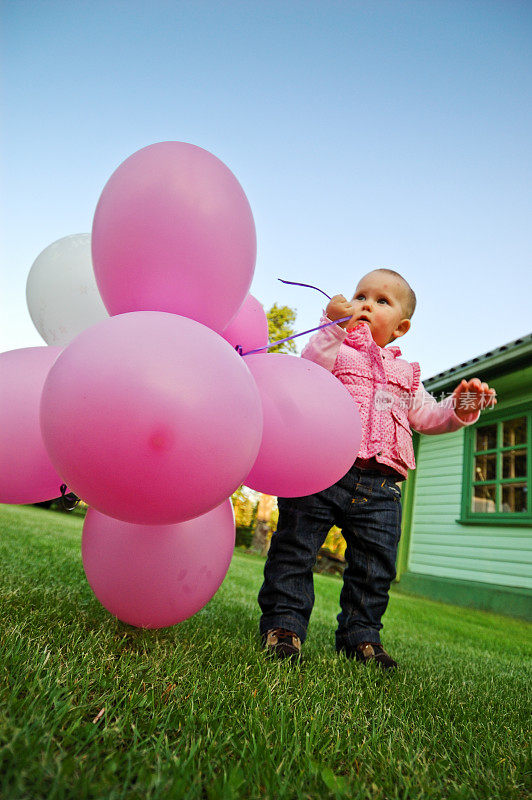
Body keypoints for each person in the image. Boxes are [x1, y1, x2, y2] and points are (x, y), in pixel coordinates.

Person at [258, 268, 496, 669]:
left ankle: (360, 637)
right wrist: (332, 326)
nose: (366, 303)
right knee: (295, 549)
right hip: (321, 470)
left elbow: (428, 417)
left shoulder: (408, 376)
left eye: (381, 300)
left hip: (382, 487)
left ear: (401, 327)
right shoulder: (337, 349)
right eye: (360, 295)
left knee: (375, 567)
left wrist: (460, 407)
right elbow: (309, 371)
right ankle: (284, 626)